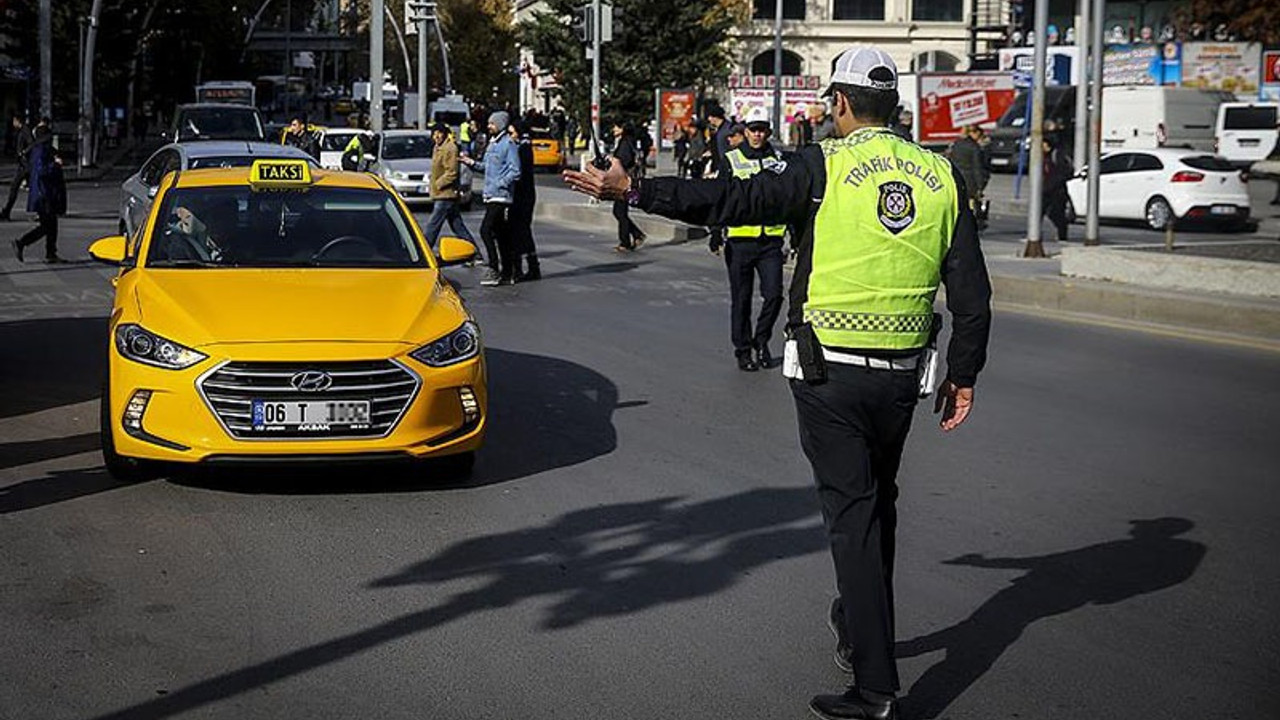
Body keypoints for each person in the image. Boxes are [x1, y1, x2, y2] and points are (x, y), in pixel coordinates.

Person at [564, 44, 992, 720]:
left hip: (830, 375)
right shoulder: (939, 173)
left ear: (840, 104)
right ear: (896, 106)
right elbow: (971, 289)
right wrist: (964, 372)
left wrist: (635, 190)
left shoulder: (822, 165)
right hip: (902, 378)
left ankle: (876, 687)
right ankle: (857, 629)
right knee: (877, 504)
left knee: (853, 514)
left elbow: (730, 198)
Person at [719, 108, 787, 372]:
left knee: (774, 295)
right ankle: (743, 350)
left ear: (768, 132)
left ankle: (761, 340)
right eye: (753, 129)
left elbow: (787, 197)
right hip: (740, 241)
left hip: (770, 242)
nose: (757, 134)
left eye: (762, 129)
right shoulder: (732, 159)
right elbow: (721, 197)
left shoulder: (779, 159)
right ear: (745, 131)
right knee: (742, 299)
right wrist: (716, 232)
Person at [463, 111, 520, 286]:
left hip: (500, 197)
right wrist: (471, 163)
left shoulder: (507, 145)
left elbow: (515, 170)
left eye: (492, 124)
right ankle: (508, 271)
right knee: (501, 235)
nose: (489, 126)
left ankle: (494, 268)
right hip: (490, 195)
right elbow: (487, 167)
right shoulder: (492, 144)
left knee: (485, 230)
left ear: (500, 125)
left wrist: (501, 183)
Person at [11, 123, 67, 263]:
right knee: (47, 226)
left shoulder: (38, 148)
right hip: (44, 194)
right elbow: (42, 171)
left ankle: (50, 253)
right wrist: (55, 164)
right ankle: (22, 242)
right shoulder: (41, 150)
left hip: (42, 193)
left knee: (51, 224)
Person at [424, 123, 478, 252]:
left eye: (439, 133)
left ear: (445, 133)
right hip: (442, 193)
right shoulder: (437, 147)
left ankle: (423, 252)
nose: (436, 136)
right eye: (434, 133)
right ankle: (474, 251)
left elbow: (452, 172)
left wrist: (438, 184)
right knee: (457, 226)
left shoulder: (450, 148)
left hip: (446, 193)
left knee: (433, 225)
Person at [507, 119, 540, 281]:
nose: (510, 136)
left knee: (522, 231)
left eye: (511, 133)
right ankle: (518, 267)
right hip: (518, 195)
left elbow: (519, 173)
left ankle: (530, 267)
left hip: (523, 196)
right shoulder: (519, 147)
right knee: (517, 231)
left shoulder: (524, 148)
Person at [610, 121, 647, 253]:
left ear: (623, 128)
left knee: (620, 211)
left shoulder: (625, 143)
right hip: (627, 181)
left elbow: (624, 161)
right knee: (620, 211)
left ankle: (625, 242)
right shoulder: (629, 141)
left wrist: (613, 162)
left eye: (616, 126)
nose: (613, 129)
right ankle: (636, 235)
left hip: (624, 181)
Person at [949, 125, 990, 230]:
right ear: (974, 133)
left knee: (958, 204)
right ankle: (970, 225)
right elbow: (977, 168)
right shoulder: (974, 148)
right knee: (970, 206)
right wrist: (980, 186)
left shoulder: (957, 144)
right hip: (970, 182)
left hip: (955, 178)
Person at [1, 115, 34, 221]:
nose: (13, 124)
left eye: (14, 121)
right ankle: (6, 211)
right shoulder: (21, 130)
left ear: (17, 120)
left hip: (25, 165)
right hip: (23, 164)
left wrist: (23, 152)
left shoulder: (25, 130)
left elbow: (31, 143)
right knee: (32, 188)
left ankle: (6, 211)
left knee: (14, 187)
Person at [1042, 138, 1073, 241]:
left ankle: (1062, 234)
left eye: (1043, 145)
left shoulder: (1057, 155)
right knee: (1038, 212)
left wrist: (1053, 183)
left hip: (1057, 190)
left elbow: (1066, 172)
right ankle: (1034, 233)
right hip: (1044, 190)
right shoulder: (1042, 156)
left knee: (1057, 213)